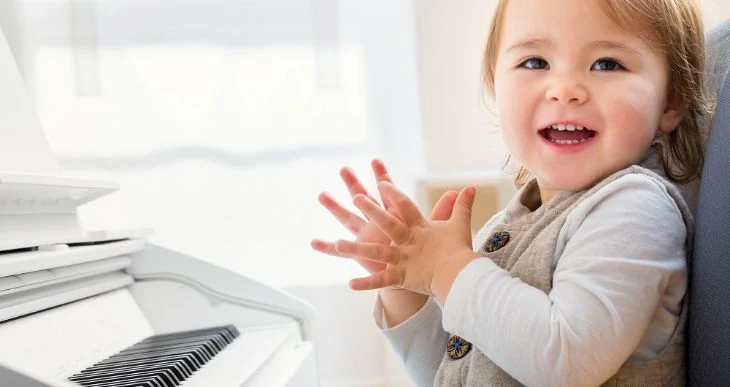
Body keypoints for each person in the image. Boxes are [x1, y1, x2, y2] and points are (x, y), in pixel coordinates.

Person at [311, 0, 711, 385]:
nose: (564, 89)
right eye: (534, 62)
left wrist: (448, 268)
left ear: (670, 101)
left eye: (607, 64)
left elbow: (566, 361)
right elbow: (454, 374)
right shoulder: (508, 225)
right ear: (495, 85)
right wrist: (405, 285)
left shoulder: (636, 209)